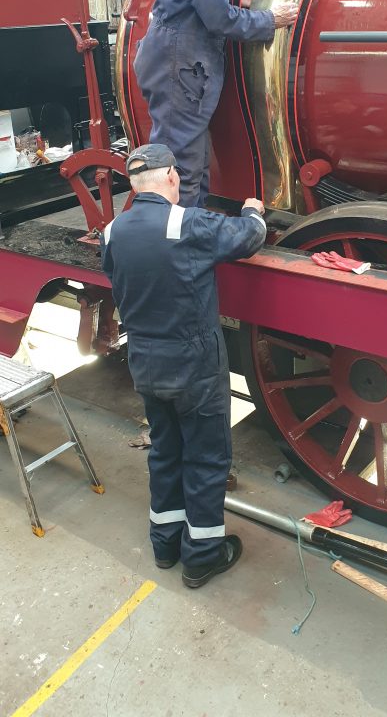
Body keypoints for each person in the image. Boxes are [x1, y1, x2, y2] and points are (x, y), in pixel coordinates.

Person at [100, 143, 267, 588]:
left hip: (146, 361)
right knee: (207, 459)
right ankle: (202, 557)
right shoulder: (186, 222)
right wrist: (253, 211)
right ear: (171, 177)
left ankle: (164, 545)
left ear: (134, 186)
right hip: (193, 363)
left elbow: (116, 278)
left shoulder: (112, 231)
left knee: (165, 451)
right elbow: (247, 239)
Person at [134, 0, 298, 207]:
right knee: (182, 172)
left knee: (191, 166)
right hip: (179, 68)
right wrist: (270, 20)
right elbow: (218, 21)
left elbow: (193, 1)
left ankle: (188, 236)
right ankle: (179, 249)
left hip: (175, 62)